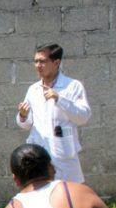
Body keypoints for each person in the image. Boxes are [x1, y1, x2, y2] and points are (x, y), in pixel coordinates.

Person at [16, 44, 91, 183]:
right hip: (38, 154)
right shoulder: (33, 90)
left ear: (56, 63)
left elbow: (83, 117)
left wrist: (60, 99)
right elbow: (26, 124)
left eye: (43, 61)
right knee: (41, 196)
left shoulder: (73, 86)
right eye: (36, 61)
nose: (38, 65)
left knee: (69, 196)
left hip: (63, 152)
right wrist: (23, 115)